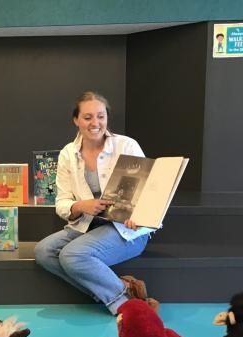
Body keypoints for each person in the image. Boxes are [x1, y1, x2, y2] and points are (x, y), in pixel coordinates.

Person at [34, 91, 157, 315]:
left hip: (126, 230)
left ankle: (128, 307)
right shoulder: (67, 154)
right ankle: (118, 289)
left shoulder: (127, 146)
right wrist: (79, 206)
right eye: (88, 117)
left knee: (72, 255)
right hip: (87, 225)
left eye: (101, 116)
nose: (95, 123)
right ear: (76, 120)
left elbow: (151, 192)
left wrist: (139, 218)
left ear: (107, 118)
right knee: (43, 251)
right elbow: (62, 201)